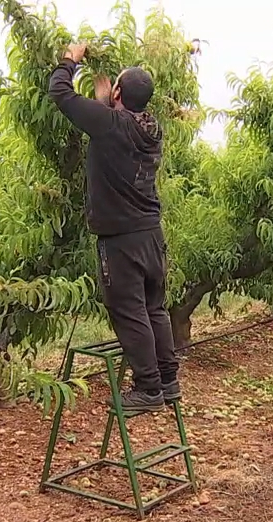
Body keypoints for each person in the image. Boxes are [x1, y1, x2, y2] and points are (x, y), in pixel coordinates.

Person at [48, 43, 179, 412]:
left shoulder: (108, 124)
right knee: (154, 309)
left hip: (120, 241)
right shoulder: (151, 127)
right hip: (151, 234)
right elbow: (120, 121)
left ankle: (148, 389)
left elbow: (60, 92)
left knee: (129, 310)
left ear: (119, 94)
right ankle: (167, 382)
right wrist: (109, 97)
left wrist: (70, 59)